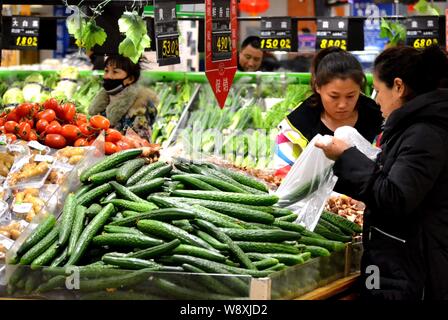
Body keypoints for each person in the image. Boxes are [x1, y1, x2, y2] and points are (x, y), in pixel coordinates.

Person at [315, 45, 448, 300]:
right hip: (398, 263)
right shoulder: (415, 126)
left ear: (398, 86)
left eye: (378, 89)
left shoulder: (425, 133)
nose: (375, 99)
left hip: (413, 268)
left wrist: (347, 156)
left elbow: (395, 197)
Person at [274, 47, 383, 177]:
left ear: (360, 88)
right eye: (334, 96)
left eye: (350, 96)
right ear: (317, 87)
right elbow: (281, 176)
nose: (342, 105)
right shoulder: (295, 127)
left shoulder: (379, 119)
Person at [88, 55, 158, 141]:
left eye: (115, 72)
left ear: (130, 79)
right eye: (106, 71)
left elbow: (140, 144)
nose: (108, 76)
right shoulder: (102, 102)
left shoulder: (140, 106)